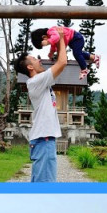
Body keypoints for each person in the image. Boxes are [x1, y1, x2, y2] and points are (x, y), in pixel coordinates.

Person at [13, 27, 68, 183]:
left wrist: (56, 45)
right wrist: (61, 38)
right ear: (30, 67)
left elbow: (59, 63)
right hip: (44, 139)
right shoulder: (36, 81)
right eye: (35, 59)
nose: (39, 60)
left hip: (44, 139)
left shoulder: (40, 82)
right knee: (45, 186)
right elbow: (62, 62)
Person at [31, 26, 100, 79]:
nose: (47, 44)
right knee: (79, 54)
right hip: (72, 40)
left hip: (76, 38)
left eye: (43, 44)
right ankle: (94, 57)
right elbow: (53, 46)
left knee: (76, 53)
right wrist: (51, 53)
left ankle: (84, 69)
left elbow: (56, 37)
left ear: (44, 37)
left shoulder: (50, 31)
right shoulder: (51, 36)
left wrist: (48, 42)